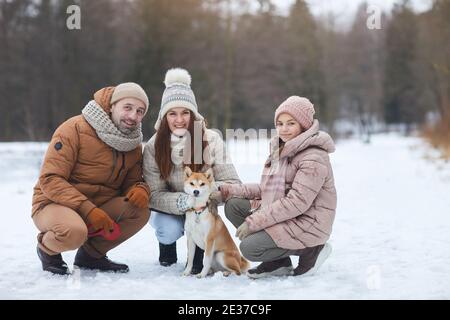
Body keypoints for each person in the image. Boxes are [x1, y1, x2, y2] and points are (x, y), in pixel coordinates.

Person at [32, 83, 151, 275]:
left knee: (140, 210)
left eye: (139, 111)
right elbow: (50, 179)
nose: (133, 116)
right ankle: (47, 249)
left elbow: (132, 181)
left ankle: (91, 255)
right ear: (112, 106)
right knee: (74, 232)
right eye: (127, 107)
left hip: (99, 205)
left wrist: (140, 188)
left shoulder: (133, 144)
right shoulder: (74, 128)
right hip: (54, 203)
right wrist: (88, 210)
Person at [214, 96, 337, 279]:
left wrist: (253, 222)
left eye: (290, 123)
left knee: (250, 248)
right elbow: (267, 189)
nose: (283, 129)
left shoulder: (313, 158)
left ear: (304, 125)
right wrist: (226, 190)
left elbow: (297, 203)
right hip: (287, 216)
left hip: (308, 222)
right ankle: (277, 262)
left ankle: (312, 251)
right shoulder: (282, 149)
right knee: (234, 205)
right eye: (279, 123)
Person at [143, 68, 241, 274]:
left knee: (199, 258)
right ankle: (167, 248)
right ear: (164, 117)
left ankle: (198, 254)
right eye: (172, 113)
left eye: (185, 112)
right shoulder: (153, 146)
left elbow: (233, 183)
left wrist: (204, 194)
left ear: (193, 114)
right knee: (168, 230)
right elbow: (153, 194)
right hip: (171, 208)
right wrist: (184, 201)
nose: (179, 120)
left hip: (203, 210)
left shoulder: (211, 140)